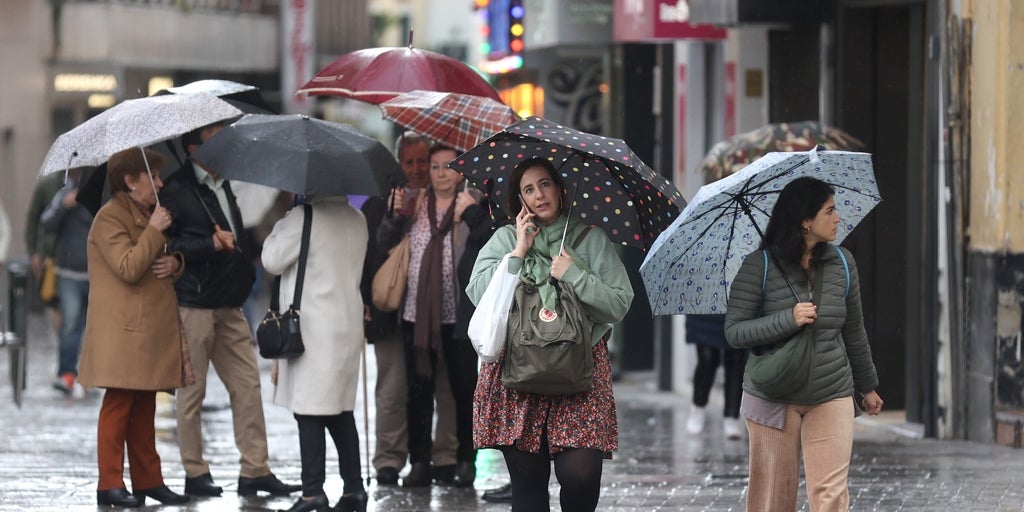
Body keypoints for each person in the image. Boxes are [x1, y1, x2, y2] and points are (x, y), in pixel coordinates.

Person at [466, 156, 634, 512]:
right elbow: (478, 294)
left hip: (580, 374)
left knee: (581, 476)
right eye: (529, 189)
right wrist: (518, 252)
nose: (539, 194)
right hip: (518, 373)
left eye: (545, 184)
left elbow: (619, 304)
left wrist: (575, 274)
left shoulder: (590, 240)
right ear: (520, 202)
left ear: (560, 190)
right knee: (527, 485)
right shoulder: (504, 239)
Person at [724, 176, 884, 511]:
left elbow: (854, 330)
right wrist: (789, 319)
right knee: (775, 499)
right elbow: (735, 331)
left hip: (831, 389)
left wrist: (867, 386)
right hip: (773, 392)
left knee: (831, 495)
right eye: (830, 211)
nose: (838, 218)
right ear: (806, 221)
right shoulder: (759, 265)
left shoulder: (843, 263)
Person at [160, 123, 300, 498]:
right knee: (192, 393)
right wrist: (209, 244)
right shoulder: (175, 190)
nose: (223, 144)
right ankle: (194, 471)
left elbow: (235, 236)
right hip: (194, 303)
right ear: (193, 149)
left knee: (247, 386)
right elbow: (169, 248)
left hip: (230, 303)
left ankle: (255, 469)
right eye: (213, 139)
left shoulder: (224, 184)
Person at [77, 147, 191, 507]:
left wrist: (177, 262)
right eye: (152, 177)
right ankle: (109, 482)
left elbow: (159, 261)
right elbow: (128, 266)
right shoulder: (110, 218)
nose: (159, 184)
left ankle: (148, 480)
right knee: (119, 404)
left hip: (145, 331)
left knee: (144, 406)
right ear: (129, 181)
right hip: (124, 331)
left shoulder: (144, 213)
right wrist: (156, 231)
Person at [377, 144, 484, 488]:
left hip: (460, 316)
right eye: (435, 167)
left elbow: (487, 239)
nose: (440, 173)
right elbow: (384, 241)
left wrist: (470, 214)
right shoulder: (414, 202)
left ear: (460, 172)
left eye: (447, 167)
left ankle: (466, 461)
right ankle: (419, 461)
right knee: (418, 392)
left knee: (464, 390)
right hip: (415, 316)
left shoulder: (472, 204)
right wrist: (394, 216)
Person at [360, 132, 459, 486]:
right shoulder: (383, 201)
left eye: (424, 162)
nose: (417, 169)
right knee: (393, 388)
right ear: (398, 164)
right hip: (391, 315)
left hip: (440, 314)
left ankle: (445, 456)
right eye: (410, 162)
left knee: (444, 387)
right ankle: (389, 459)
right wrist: (396, 216)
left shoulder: (448, 199)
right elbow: (370, 253)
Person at [262, 195, 369, 512]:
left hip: (313, 328)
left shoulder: (302, 217)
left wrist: (282, 222)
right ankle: (354, 489)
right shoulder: (357, 218)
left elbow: (271, 260)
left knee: (308, 411)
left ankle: (312, 494)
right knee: (340, 412)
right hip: (347, 325)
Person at [40, 168, 94, 396]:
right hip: (69, 273)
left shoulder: (100, 194)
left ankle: (92, 375)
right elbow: (46, 222)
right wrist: (65, 205)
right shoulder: (64, 192)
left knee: (95, 328)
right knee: (70, 325)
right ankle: (67, 374)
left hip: (97, 274)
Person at [685, 314, 747, 439]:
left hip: (736, 309)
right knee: (707, 361)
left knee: (735, 362)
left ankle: (732, 415)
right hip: (703, 308)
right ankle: (698, 407)